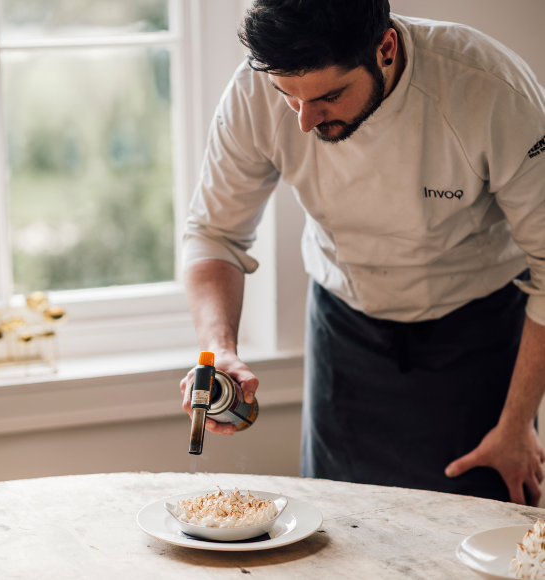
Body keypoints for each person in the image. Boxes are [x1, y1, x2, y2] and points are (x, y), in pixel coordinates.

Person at [179, 0, 545, 505]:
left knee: (474, 527)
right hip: (344, 330)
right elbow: (213, 234)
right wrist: (219, 349)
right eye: (288, 96)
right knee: (339, 523)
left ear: (385, 48)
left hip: (478, 334)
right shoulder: (253, 90)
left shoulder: (490, 91)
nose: (304, 121)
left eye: (330, 95)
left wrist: (517, 424)